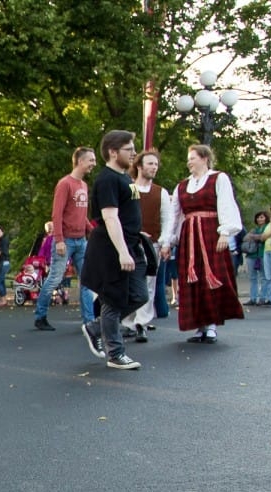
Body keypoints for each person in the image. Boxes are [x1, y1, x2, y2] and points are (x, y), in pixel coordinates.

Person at [80, 130, 149, 370]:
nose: (133, 153)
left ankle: (95, 327)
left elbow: (127, 213)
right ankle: (115, 353)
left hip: (131, 243)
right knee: (114, 300)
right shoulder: (107, 178)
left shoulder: (125, 178)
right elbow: (110, 217)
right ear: (113, 151)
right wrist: (122, 251)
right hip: (112, 248)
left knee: (140, 295)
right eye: (128, 149)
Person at [160, 144, 243, 343]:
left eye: (192, 158)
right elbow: (174, 216)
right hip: (190, 238)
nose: (189, 161)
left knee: (211, 276)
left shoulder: (218, 178)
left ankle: (212, 325)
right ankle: (199, 326)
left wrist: (225, 233)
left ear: (204, 158)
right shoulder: (182, 186)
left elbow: (226, 204)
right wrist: (167, 241)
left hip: (210, 235)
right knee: (191, 279)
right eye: (188, 158)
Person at [35, 147, 95, 331]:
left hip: (81, 240)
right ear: (79, 161)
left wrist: (90, 229)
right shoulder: (65, 184)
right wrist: (59, 239)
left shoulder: (84, 185)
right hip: (66, 240)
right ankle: (40, 315)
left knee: (87, 280)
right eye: (90, 160)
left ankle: (89, 321)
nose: (94, 163)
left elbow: (79, 212)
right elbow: (58, 213)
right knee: (54, 278)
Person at [123, 149, 172, 342]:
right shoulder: (129, 188)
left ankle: (141, 323)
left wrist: (165, 242)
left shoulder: (160, 192)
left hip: (152, 244)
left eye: (156, 164)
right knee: (128, 283)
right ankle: (128, 322)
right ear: (140, 166)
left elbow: (167, 220)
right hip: (130, 243)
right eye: (150, 163)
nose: (154, 167)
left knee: (148, 285)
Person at [243, 211, 270, 305]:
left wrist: (253, 236)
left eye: (262, 217)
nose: (259, 219)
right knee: (252, 277)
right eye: (258, 217)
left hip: (263, 254)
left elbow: (263, 237)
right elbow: (245, 238)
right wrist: (256, 236)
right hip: (251, 255)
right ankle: (253, 298)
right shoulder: (254, 229)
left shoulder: (268, 227)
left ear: (266, 218)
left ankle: (263, 298)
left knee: (264, 277)